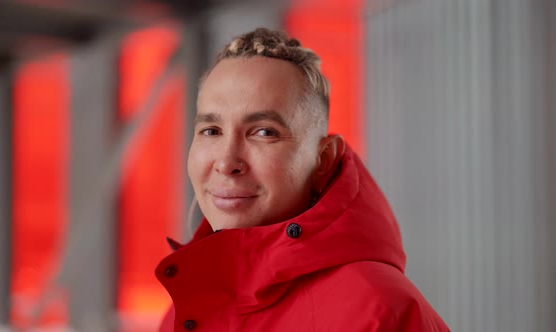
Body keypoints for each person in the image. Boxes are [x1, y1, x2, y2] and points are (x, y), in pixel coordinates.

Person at [155, 28, 449, 331]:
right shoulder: (185, 310)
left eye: (264, 132)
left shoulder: (380, 310)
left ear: (324, 159)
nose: (227, 162)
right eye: (211, 131)